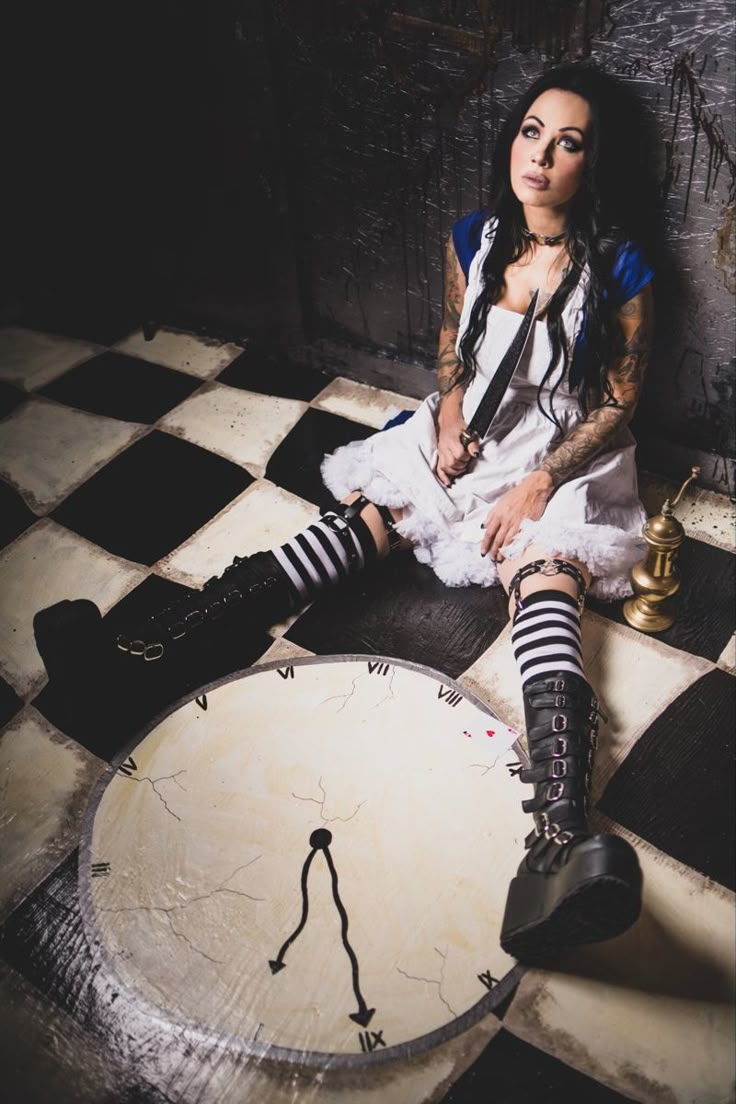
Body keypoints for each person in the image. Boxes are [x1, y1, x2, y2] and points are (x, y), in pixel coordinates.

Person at [35, 63, 654, 965]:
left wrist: (538, 483)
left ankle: (562, 839)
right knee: (370, 518)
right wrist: (444, 416)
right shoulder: (476, 237)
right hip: (469, 438)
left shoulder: (621, 264)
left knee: (546, 581)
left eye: (569, 141)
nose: (542, 155)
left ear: (592, 163)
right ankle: (145, 650)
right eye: (531, 131)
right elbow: (452, 346)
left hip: (558, 453)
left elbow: (619, 404)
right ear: (510, 139)